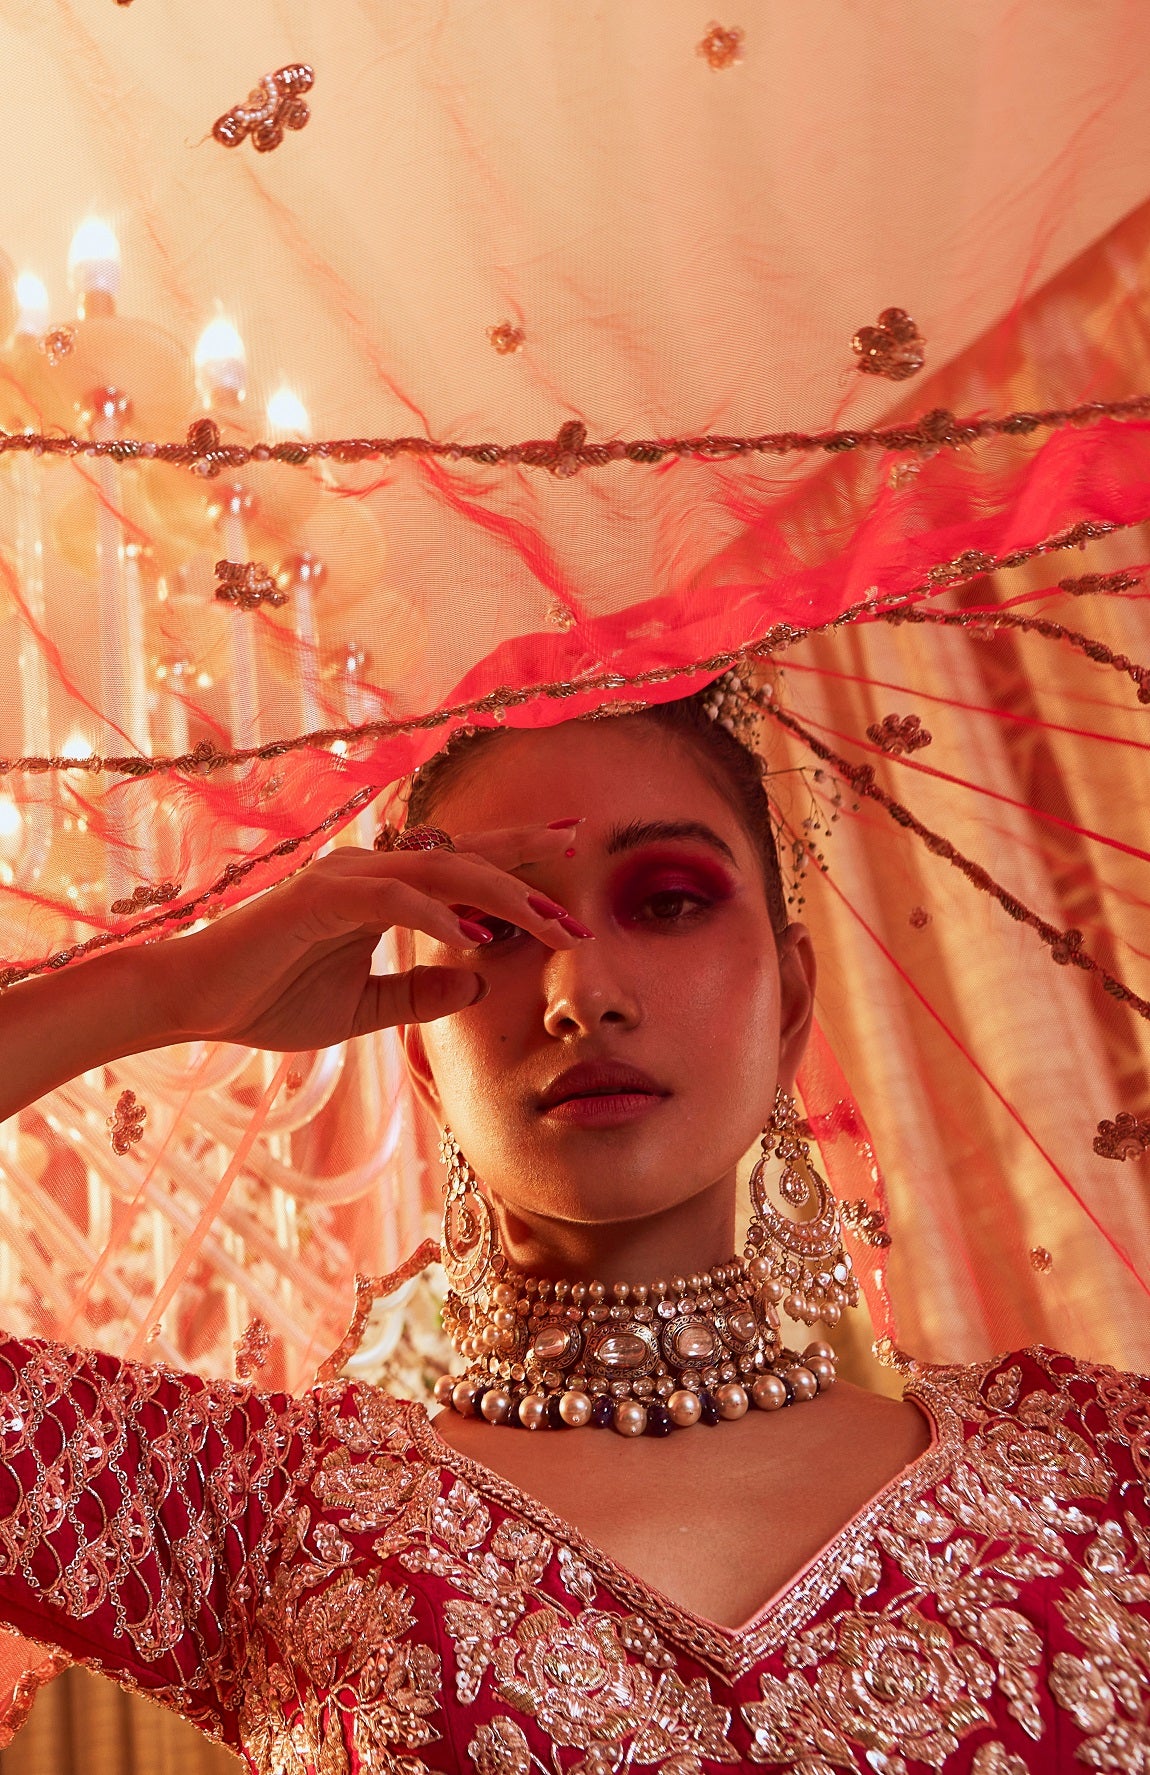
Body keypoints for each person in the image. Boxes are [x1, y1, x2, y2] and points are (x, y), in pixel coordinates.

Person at [0, 680, 1146, 1775]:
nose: (581, 988)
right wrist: (164, 991)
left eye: (668, 901)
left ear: (793, 1000)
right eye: (494, 925)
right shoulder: (253, 1506)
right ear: (423, 1063)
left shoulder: (1097, 1467)